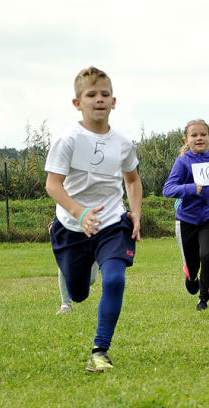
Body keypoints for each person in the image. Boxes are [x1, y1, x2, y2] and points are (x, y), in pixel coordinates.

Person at [44, 66, 142, 372]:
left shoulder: (123, 142)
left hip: (112, 223)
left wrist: (136, 212)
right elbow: (53, 185)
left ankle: (100, 351)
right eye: (91, 95)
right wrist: (80, 212)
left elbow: (133, 180)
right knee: (79, 293)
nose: (98, 100)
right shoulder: (68, 140)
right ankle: (82, 266)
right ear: (78, 103)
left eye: (104, 94)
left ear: (114, 101)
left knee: (114, 280)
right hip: (72, 227)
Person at [162, 119, 209, 310]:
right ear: (186, 139)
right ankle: (191, 275)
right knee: (192, 262)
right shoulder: (182, 162)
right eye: (194, 135)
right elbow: (168, 189)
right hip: (186, 219)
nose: (199, 138)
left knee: (207, 255)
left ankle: (203, 299)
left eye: (202, 134)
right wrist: (189, 188)